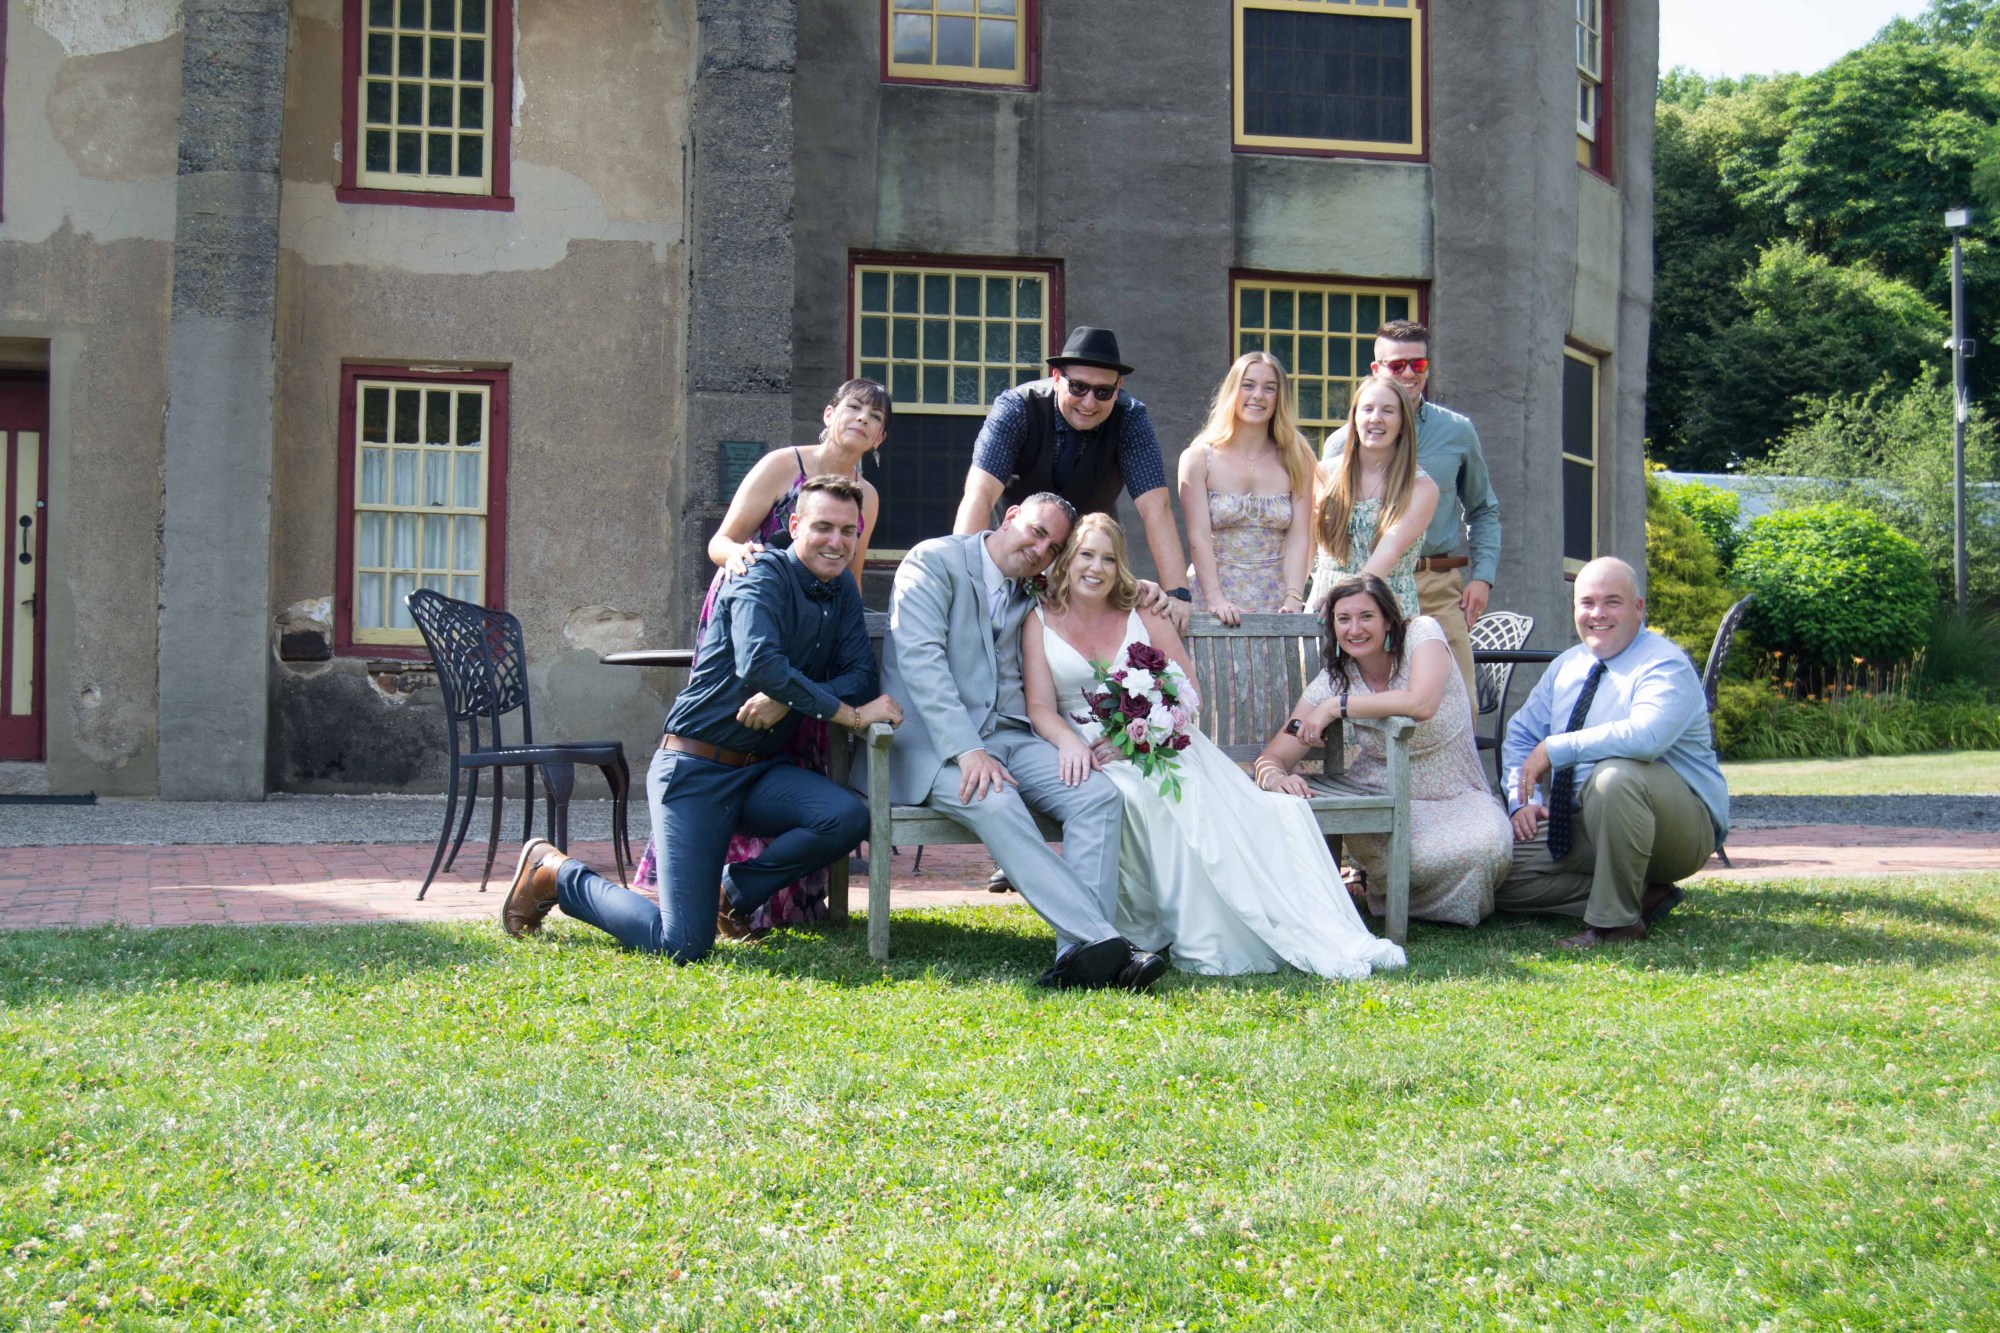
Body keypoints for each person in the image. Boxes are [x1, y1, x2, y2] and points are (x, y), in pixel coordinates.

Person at [501, 477, 904, 962]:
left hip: (762, 773)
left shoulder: (841, 593)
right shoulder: (759, 574)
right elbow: (759, 665)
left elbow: (859, 675)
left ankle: (729, 896)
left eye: (848, 531)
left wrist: (791, 699)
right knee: (683, 945)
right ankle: (554, 874)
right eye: (823, 527)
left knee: (846, 817)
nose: (836, 542)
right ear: (796, 525)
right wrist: (849, 716)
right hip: (695, 770)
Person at [1021, 513, 1407, 978]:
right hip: (1084, 750)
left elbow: (1187, 691)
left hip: (1158, 744)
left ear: (1120, 565)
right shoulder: (1039, 620)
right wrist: (1069, 743)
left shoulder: (1143, 611)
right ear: (1066, 560)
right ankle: (1126, 930)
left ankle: (1192, 929)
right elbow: (1039, 706)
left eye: (1108, 558)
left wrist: (1140, 734)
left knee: (1175, 798)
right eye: (1086, 554)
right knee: (1125, 796)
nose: (1096, 568)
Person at [864, 493, 1170, 991]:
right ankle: (1102, 941)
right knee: (997, 800)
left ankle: (1077, 954)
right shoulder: (933, 561)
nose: (1040, 549)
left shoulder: (1032, 585)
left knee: (1096, 795)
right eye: (1036, 532)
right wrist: (968, 750)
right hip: (935, 748)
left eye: (1053, 547)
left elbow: (1092, 584)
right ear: (1010, 517)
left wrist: (1144, 589)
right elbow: (923, 665)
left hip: (1010, 736)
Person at [633, 379, 891, 929]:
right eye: (854, 408)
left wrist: (796, 690)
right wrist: (742, 564)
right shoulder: (780, 475)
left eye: (875, 417)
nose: (863, 420)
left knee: (828, 797)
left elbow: (849, 587)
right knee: (682, 940)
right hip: (752, 605)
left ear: (881, 437)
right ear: (829, 412)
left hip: (812, 625)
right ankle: (567, 876)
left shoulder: (862, 502)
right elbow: (723, 545)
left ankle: (742, 894)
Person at [1497, 557, 1729, 949]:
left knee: (1614, 776)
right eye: (1587, 603)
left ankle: (1615, 925)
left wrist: (1556, 748)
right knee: (1491, 873)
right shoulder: (1566, 666)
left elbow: (1646, 736)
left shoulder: (1663, 663)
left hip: (1675, 829)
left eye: (1612, 602)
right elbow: (1521, 734)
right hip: (1584, 821)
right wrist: (1525, 801)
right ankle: (1641, 895)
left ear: (1638, 608)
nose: (1597, 614)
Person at [1257, 574, 1511, 928]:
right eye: (1343, 619)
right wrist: (1275, 778)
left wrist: (1337, 707)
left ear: (1388, 620)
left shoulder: (1423, 635)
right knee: (1408, 857)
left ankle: (1395, 895)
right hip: (1383, 801)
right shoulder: (1334, 680)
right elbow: (1273, 757)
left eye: (1366, 617)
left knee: (1487, 846)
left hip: (1458, 795)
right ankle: (1391, 891)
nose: (1355, 629)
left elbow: (1420, 704)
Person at [953, 326, 1194, 633]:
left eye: (1103, 392)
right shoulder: (1017, 407)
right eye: (1078, 387)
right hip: (1020, 549)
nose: (1089, 402)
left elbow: (1155, 507)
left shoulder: (1130, 419)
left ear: (1118, 387)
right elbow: (980, 493)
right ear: (1057, 377)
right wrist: (963, 582)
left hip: (1088, 563)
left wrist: (1177, 593)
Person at [1321, 320, 1501, 703]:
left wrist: (1482, 577)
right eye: (1396, 365)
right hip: (1361, 594)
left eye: (1417, 365)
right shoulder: (1343, 443)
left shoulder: (1457, 431)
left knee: (1457, 702)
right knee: (1355, 695)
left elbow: (1483, 509)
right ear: (1376, 369)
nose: (1408, 373)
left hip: (1435, 583)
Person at [1177, 351, 1317, 624]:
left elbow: (1300, 538)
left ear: (1280, 398)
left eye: (1270, 388)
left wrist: (1293, 597)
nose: (1258, 396)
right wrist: (1215, 599)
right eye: (1248, 385)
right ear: (1232, 390)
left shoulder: (1297, 460)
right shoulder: (1198, 459)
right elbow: (1198, 537)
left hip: (1275, 604)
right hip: (1212, 601)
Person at [1305, 375, 1438, 617]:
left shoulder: (1420, 488)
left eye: (1388, 410)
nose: (1376, 418)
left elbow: (1388, 551)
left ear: (1402, 423)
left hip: (1383, 606)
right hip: (1322, 606)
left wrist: (1342, 599)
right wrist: (1293, 596)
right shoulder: (1324, 474)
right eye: (1367, 409)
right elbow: (1307, 545)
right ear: (1355, 418)